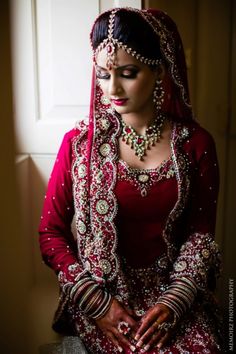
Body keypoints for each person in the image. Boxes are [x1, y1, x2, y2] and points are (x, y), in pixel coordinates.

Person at [39, 7, 223, 354]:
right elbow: (51, 233)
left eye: (128, 72)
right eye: (103, 75)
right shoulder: (80, 145)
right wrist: (97, 304)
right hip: (102, 293)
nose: (113, 88)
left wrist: (173, 303)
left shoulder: (195, 144)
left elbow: (200, 236)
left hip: (172, 295)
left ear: (159, 70)